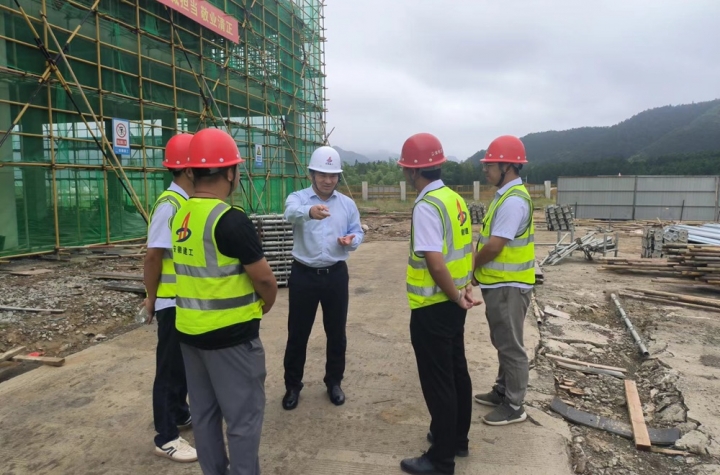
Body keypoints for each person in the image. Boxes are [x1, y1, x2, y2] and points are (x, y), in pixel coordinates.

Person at [171, 128, 278, 475]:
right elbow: (264, 279)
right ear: (230, 173)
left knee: (204, 416)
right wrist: (266, 303)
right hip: (231, 340)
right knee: (243, 420)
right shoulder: (230, 220)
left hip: (189, 335)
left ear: (192, 171)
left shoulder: (180, 215)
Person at [397, 133, 480, 475]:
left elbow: (435, 262)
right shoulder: (454, 199)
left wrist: (455, 294)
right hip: (453, 302)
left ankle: (441, 459)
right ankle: (457, 439)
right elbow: (467, 246)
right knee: (456, 370)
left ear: (413, 172)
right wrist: (465, 287)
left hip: (433, 305)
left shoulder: (427, 206)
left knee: (439, 381)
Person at [281, 146, 364, 410]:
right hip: (303, 275)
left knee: (336, 332)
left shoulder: (347, 204)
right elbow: (289, 213)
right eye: (322, 175)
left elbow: (357, 231)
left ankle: (334, 382)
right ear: (312, 174)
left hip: (335, 275)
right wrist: (309, 212)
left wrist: (351, 240)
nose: (328, 180)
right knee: (298, 333)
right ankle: (292, 386)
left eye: (333, 175)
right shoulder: (298, 198)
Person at [471, 135, 535, 426]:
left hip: (509, 285)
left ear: (507, 167)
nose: (486, 170)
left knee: (511, 346)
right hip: (500, 283)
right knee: (503, 340)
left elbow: (495, 246)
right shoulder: (505, 196)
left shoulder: (513, 202)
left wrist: (471, 266)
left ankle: (514, 404)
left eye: (490, 165)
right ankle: (502, 390)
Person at [143, 132, 197, 463]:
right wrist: (151, 298)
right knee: (168, 369)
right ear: (189, 170)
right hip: (170, 302)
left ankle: (178, 411)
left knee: (182, 366)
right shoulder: (170, 206)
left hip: (185, 301)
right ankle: (166, 437)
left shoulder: (185, 203)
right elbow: (153, 257)